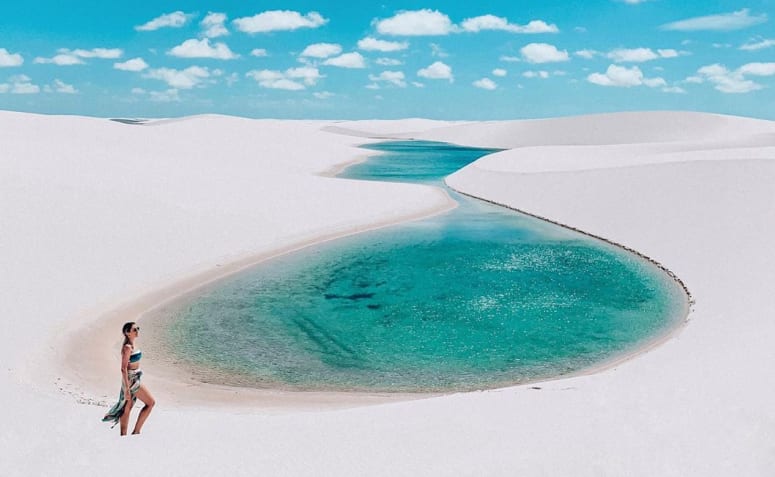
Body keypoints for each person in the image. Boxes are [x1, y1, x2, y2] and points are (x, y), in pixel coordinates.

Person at [101, 321, 156, 435]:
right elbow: (123, 368)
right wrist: (126, 388)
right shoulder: (127, 347)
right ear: (127, 333)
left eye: (137, 329)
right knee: (150, 402)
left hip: (135, 377)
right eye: (134, 329)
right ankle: (136, 431)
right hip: (131, 380)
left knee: (127, 407)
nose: (137, 331)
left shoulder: (133, 345)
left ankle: (124, 435)